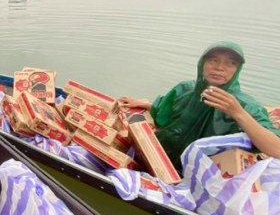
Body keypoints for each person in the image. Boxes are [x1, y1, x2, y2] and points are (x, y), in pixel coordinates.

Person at [120, 42, 280, 172]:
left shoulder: (247, 106)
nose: (220, 67)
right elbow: (163, 114)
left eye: (231, 63)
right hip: (157, 161)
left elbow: (276, 149)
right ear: (202, 64)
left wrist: (237, 113)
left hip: (198, 178)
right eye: (213, 60)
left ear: (237, 70)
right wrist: (145, 104)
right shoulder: (184, 89)